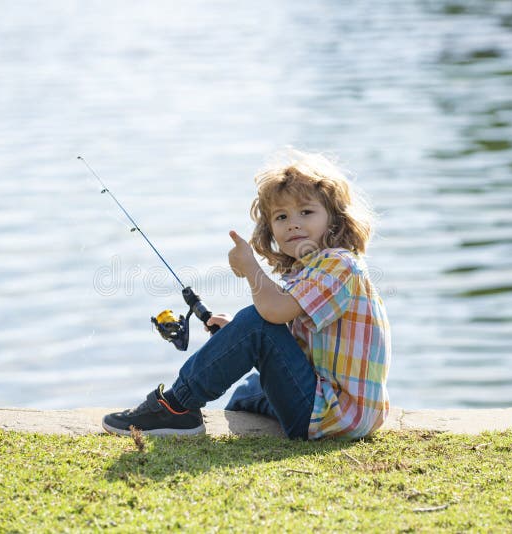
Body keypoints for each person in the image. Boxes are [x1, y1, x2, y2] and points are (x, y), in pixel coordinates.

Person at [102, 150, 391, 440]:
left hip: (333, 414)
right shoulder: (313, 269)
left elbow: (270, 315)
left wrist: (251, 268)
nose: (293, 223)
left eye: (306, 212)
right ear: (271, 229)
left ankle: (177, 407)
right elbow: (289, 330)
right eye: (281, 216)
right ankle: (206, 406)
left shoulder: (338, 264)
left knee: (257, 323)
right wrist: (234, 335)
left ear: (335, 219)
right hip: (332, 406)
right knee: (246, 392)